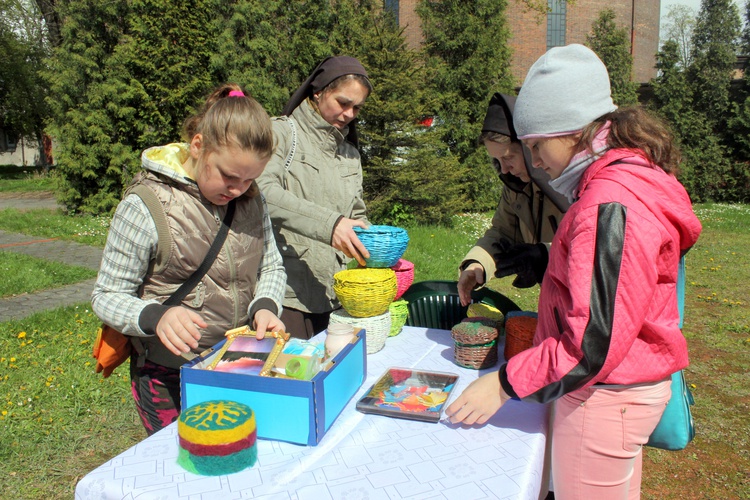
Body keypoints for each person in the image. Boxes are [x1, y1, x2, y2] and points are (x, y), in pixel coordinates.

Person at [445, 44, 702, 499]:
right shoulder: (619, 182)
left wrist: (503, 385)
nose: (537, 162)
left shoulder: (609, 203)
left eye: (537, 146)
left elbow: (591, 344)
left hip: (605, 395)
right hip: (614, 389)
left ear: (571, 131)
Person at [91, 84, 287, 435]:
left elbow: (270, 264)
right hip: (168, 374)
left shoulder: (252, 201)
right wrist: (156, 316)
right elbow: (106, 296)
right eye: (228, 176)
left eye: (250, 179)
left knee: (234, 457)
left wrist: (266, 305)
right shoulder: (146, 206)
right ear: (198, 146)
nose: (237, 190)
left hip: (236, 364)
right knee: (185, 468)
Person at [256, 56, 372, 339]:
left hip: (337, 296)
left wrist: (377, 249)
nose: (348, 114)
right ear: (318, 91)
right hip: (287, 296)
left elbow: (356, 215)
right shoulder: (280, 133)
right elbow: (261, 191)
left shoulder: (350, 154)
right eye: (342, 103)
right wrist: (330, 225)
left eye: (356, 107)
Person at [458, 93, 568, 306]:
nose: (505, 169)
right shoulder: (515, 186)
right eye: (498, 161)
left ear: (528, 149)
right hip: (553, 300)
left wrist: (544, 255)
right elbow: (503, 232)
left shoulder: (566, 184)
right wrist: (476, 263)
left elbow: (593, 251)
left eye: (509, 157)